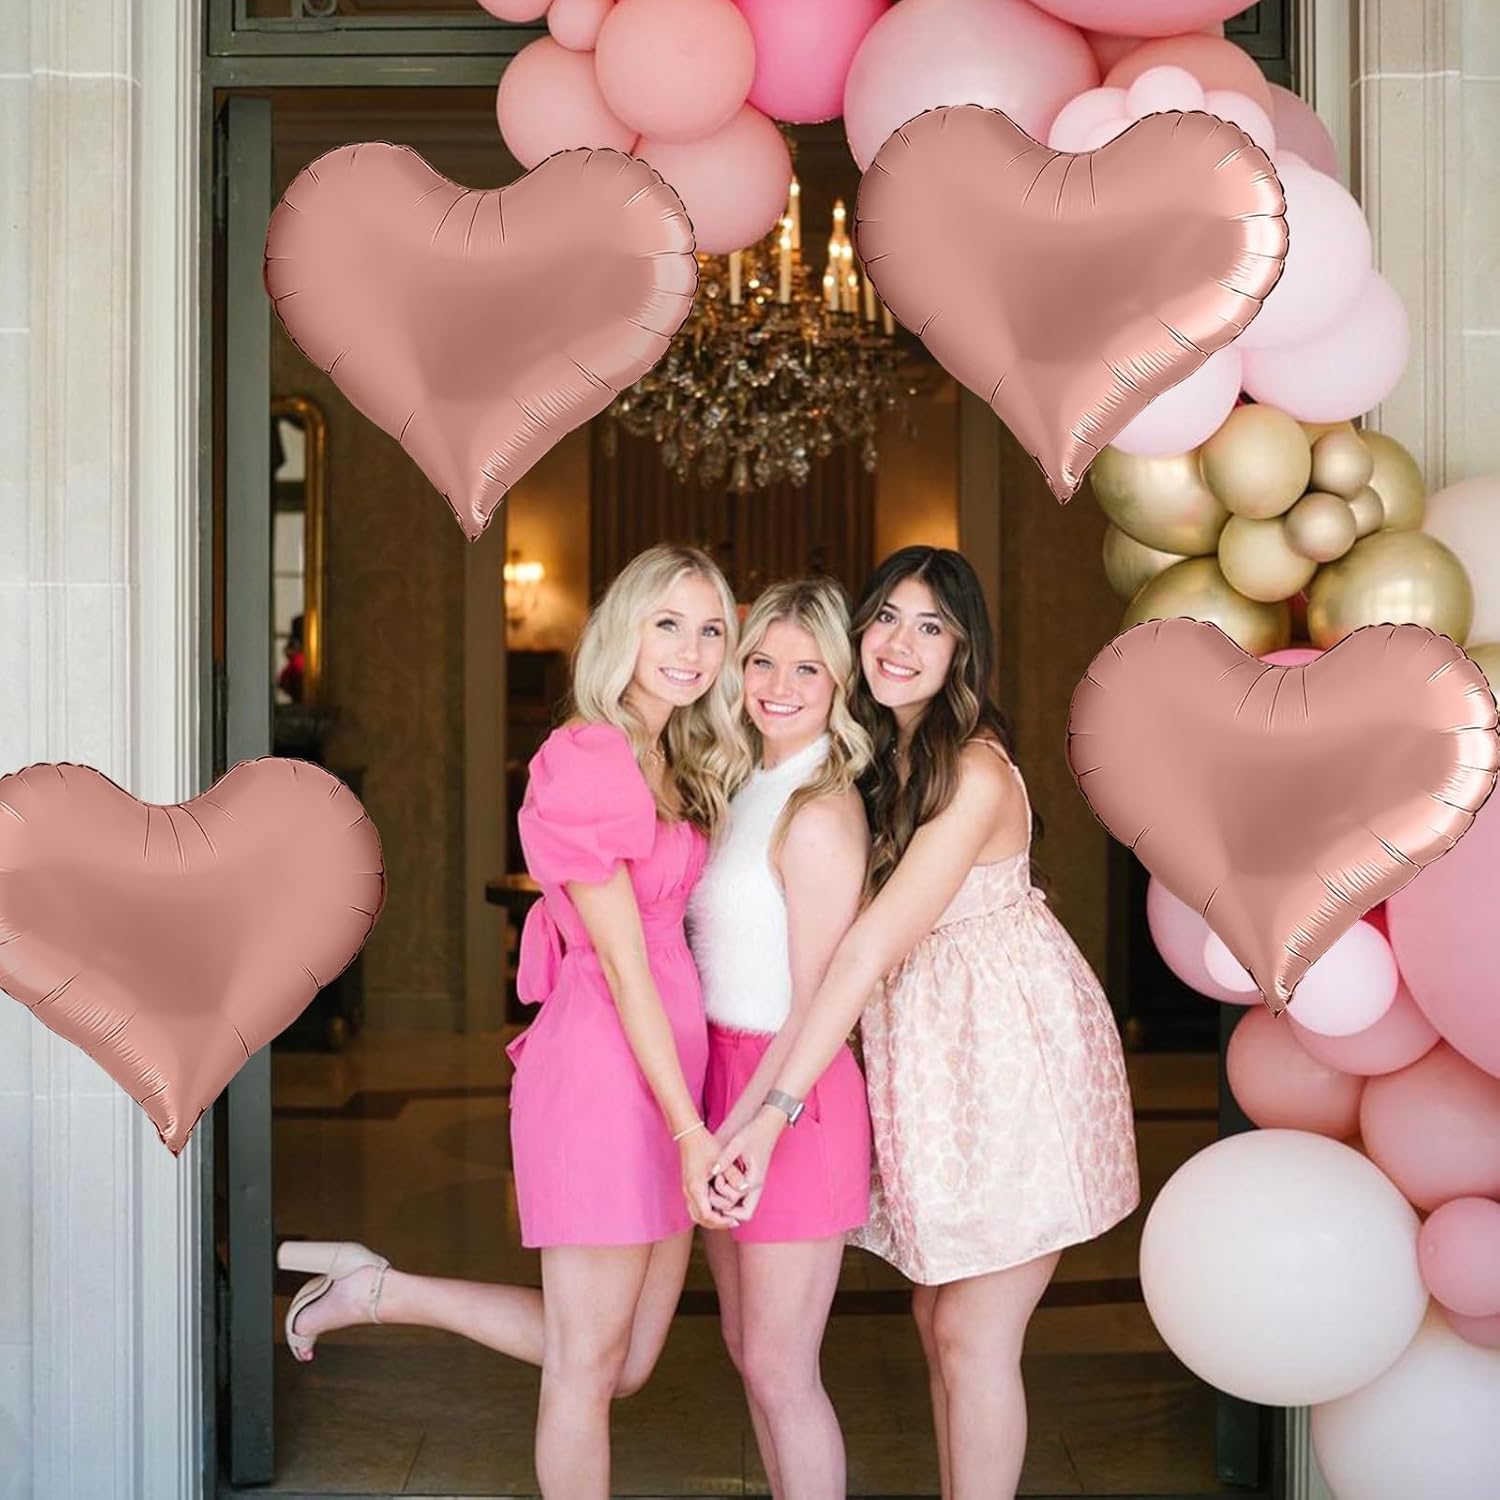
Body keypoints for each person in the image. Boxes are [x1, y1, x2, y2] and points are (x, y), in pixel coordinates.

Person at [277, 545, 751, 1500]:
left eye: (711, 630)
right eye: (668, 624)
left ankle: (379, 1291)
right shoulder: (588, 756)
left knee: (625, 1362)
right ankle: (375, 1292)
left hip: (674, 1068)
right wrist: (688, 1127)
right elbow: (624, 965)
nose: (692, 650)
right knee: (585, 1367)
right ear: (622, 629)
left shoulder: (680, 756)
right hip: (606, 1069)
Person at [711, 546, 1140, 1500]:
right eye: (887, 619)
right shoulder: (884, 760)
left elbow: (866, 948)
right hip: (940, 1069)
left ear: (961, 651)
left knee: (971, 1332)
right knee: (938, 1323)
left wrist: (774, 1113)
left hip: (1012, 1062)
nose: (901, 643)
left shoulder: (975, 771)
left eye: (931, 627)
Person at [687, 578, 873, 1500]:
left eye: (807, 669)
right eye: (762, 661)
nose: (779, 685)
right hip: (721, 1075)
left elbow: (819, 1000)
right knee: (746, 1351)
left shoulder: (822, 808)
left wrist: (751, 1123)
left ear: (840, 682)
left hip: (793, 1093)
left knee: (780, 1367)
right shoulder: (739, 786)